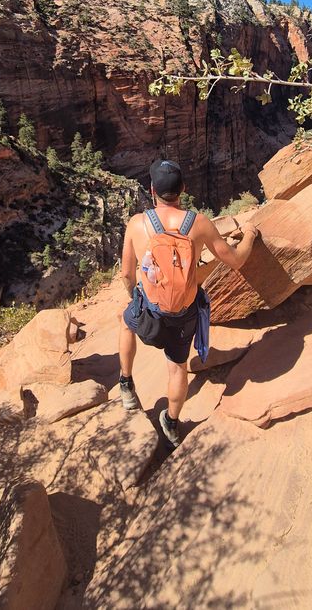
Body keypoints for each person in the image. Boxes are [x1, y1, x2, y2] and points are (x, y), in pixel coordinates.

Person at [119, 158, 259, 449]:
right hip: (182, 314)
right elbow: (235, 260)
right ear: (183, 188)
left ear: (152, 190)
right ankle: (170, 422)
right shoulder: (200, 224)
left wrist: (136, 298)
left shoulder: (137, 224)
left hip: (149, 312)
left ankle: (126, 384)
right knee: (177, 368)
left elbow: (126, 273)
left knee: (125, 323)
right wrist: (250, 235)